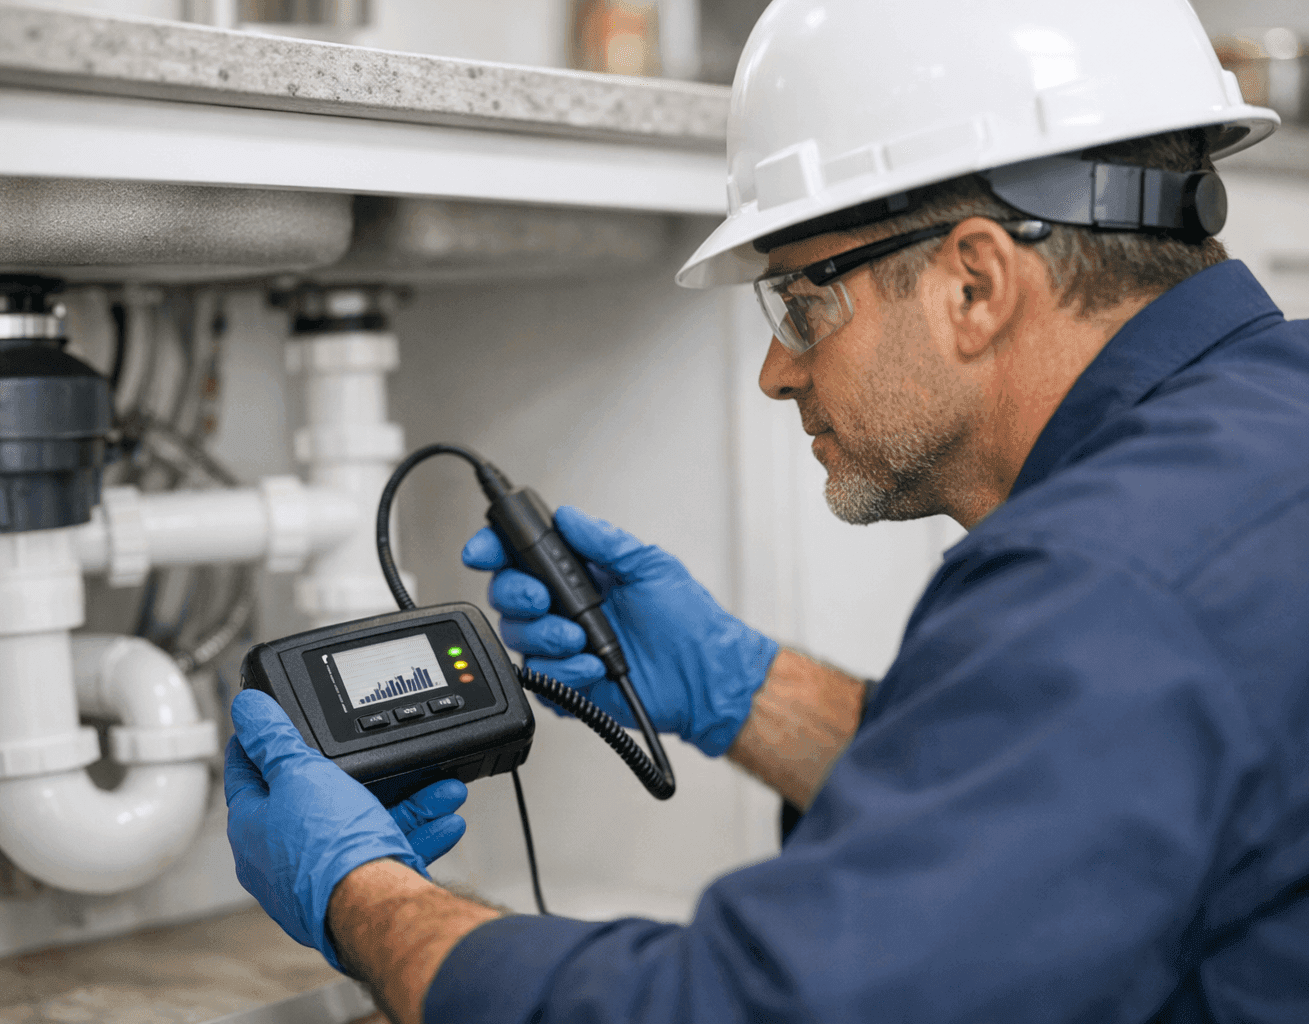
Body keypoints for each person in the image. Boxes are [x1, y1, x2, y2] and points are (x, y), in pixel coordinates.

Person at [223, 1, 1309, 1020]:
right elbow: (1063, 810)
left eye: (804, 298)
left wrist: (362, 894)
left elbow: (756, 1009)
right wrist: (744, 688)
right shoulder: (1256, 437)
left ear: (974, 286)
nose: (777, 373)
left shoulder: (1109, 579)